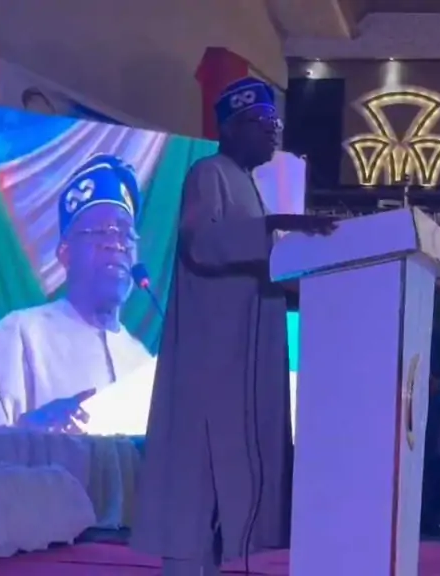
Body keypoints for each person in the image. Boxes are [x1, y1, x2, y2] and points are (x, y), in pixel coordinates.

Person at [130, 77, 336, 576]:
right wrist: (277, 226)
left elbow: (257, 266)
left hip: (239, 369)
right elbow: (203, 244)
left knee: (226, 502)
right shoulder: (209, 174)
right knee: (195, 495)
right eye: (263, 123)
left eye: (276, 123)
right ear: (230, 127)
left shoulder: (247, 184)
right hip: (209, 370)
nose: (274, 133)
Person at [0, 154, 153, 431]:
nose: (116, 243)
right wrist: (31, 433)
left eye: (125, 233)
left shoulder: (142, 362)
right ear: (65, 253)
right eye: (101, 231)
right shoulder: (21, 334)